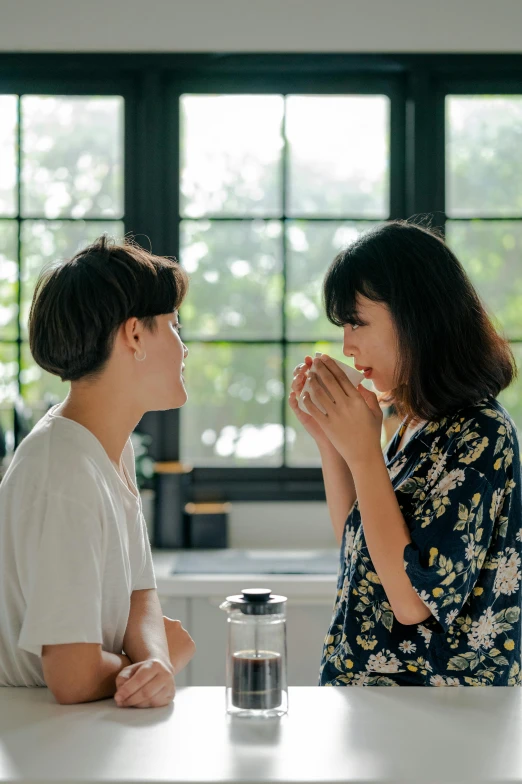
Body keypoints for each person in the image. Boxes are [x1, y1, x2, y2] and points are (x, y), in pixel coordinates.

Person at [290, 220, 522, 686]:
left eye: (357, 322)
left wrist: (362, 452)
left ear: (417, 317)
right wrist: (330, 443)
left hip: (436, 721)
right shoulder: (418, 425)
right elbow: (362, 547)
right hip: (383, 713)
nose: (346, 345)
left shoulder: (481, 434)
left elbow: (413, 602)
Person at [0, 236, 196, 706]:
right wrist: (154, 665)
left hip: (84, 733)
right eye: (173, 326)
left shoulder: (110, 449)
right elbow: (73, 676)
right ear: (134, 335)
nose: (183, 348)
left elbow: (137, 595)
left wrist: (157, 659)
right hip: (42, 741)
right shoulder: (64, 471)